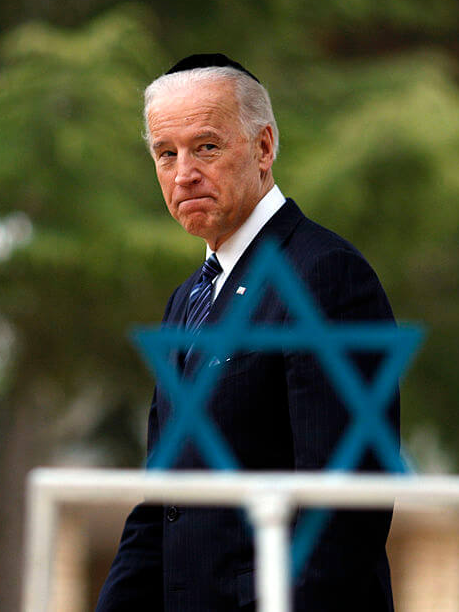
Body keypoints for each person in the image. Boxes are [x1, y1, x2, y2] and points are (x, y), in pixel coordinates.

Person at [94, 54, 399, 611]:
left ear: (263, 147)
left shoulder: (325, 275)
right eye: (166, 154)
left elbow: (343, 512)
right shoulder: (186, 300)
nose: (183, 172)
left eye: (205, 146)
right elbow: (163, 506)